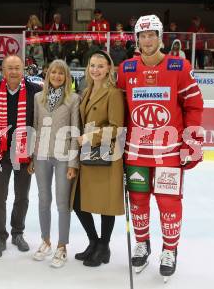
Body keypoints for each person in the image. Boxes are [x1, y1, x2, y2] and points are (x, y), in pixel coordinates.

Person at [116, 14, 204, 281]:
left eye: (152, 34)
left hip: (169, 152)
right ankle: (142, 243)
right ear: (137, 39)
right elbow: (119, 109)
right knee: (139, 201)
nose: (147, 40)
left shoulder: (179, 66)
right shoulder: (127, 68)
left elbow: (193, 106)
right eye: (142, 35)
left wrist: (192, 144)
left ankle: (170, 249)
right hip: (136, 152)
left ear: (160, 37)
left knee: (168, 202)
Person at [70, 50, 125, 267]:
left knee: (104, 204)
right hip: (88, 155)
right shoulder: (86, 90)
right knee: (78, 203)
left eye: (100, 66)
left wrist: (90, 137)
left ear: (109, 69)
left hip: (105, 154)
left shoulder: (114, 93)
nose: (95, 70)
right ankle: (94, 242)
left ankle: (104, 246)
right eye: (92, 65)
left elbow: (116, 128)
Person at [28, 59, 80, 268]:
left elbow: (76, 131)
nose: (57, 76)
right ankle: (46, 241)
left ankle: (62, 246)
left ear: (66, 77)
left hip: (63, 156)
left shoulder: (73, 99)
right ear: (48, 75)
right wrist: (32, 157)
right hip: (41, 155)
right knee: (43, 200)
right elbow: (35, 126)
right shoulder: (38, 97)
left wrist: (73, 163)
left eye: (61, 73)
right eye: (53, 73)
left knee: (61, 203)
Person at [0, 55, 42, 258]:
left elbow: (39, 122)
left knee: (22, 197)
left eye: (17, 68)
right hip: (0, 152)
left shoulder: (34, 91)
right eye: (9, 68)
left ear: (23, 69)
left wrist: (35, 154)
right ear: (2, 70)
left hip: (24, 152)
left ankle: (17, 233)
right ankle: (0, 237)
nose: (13, 72)